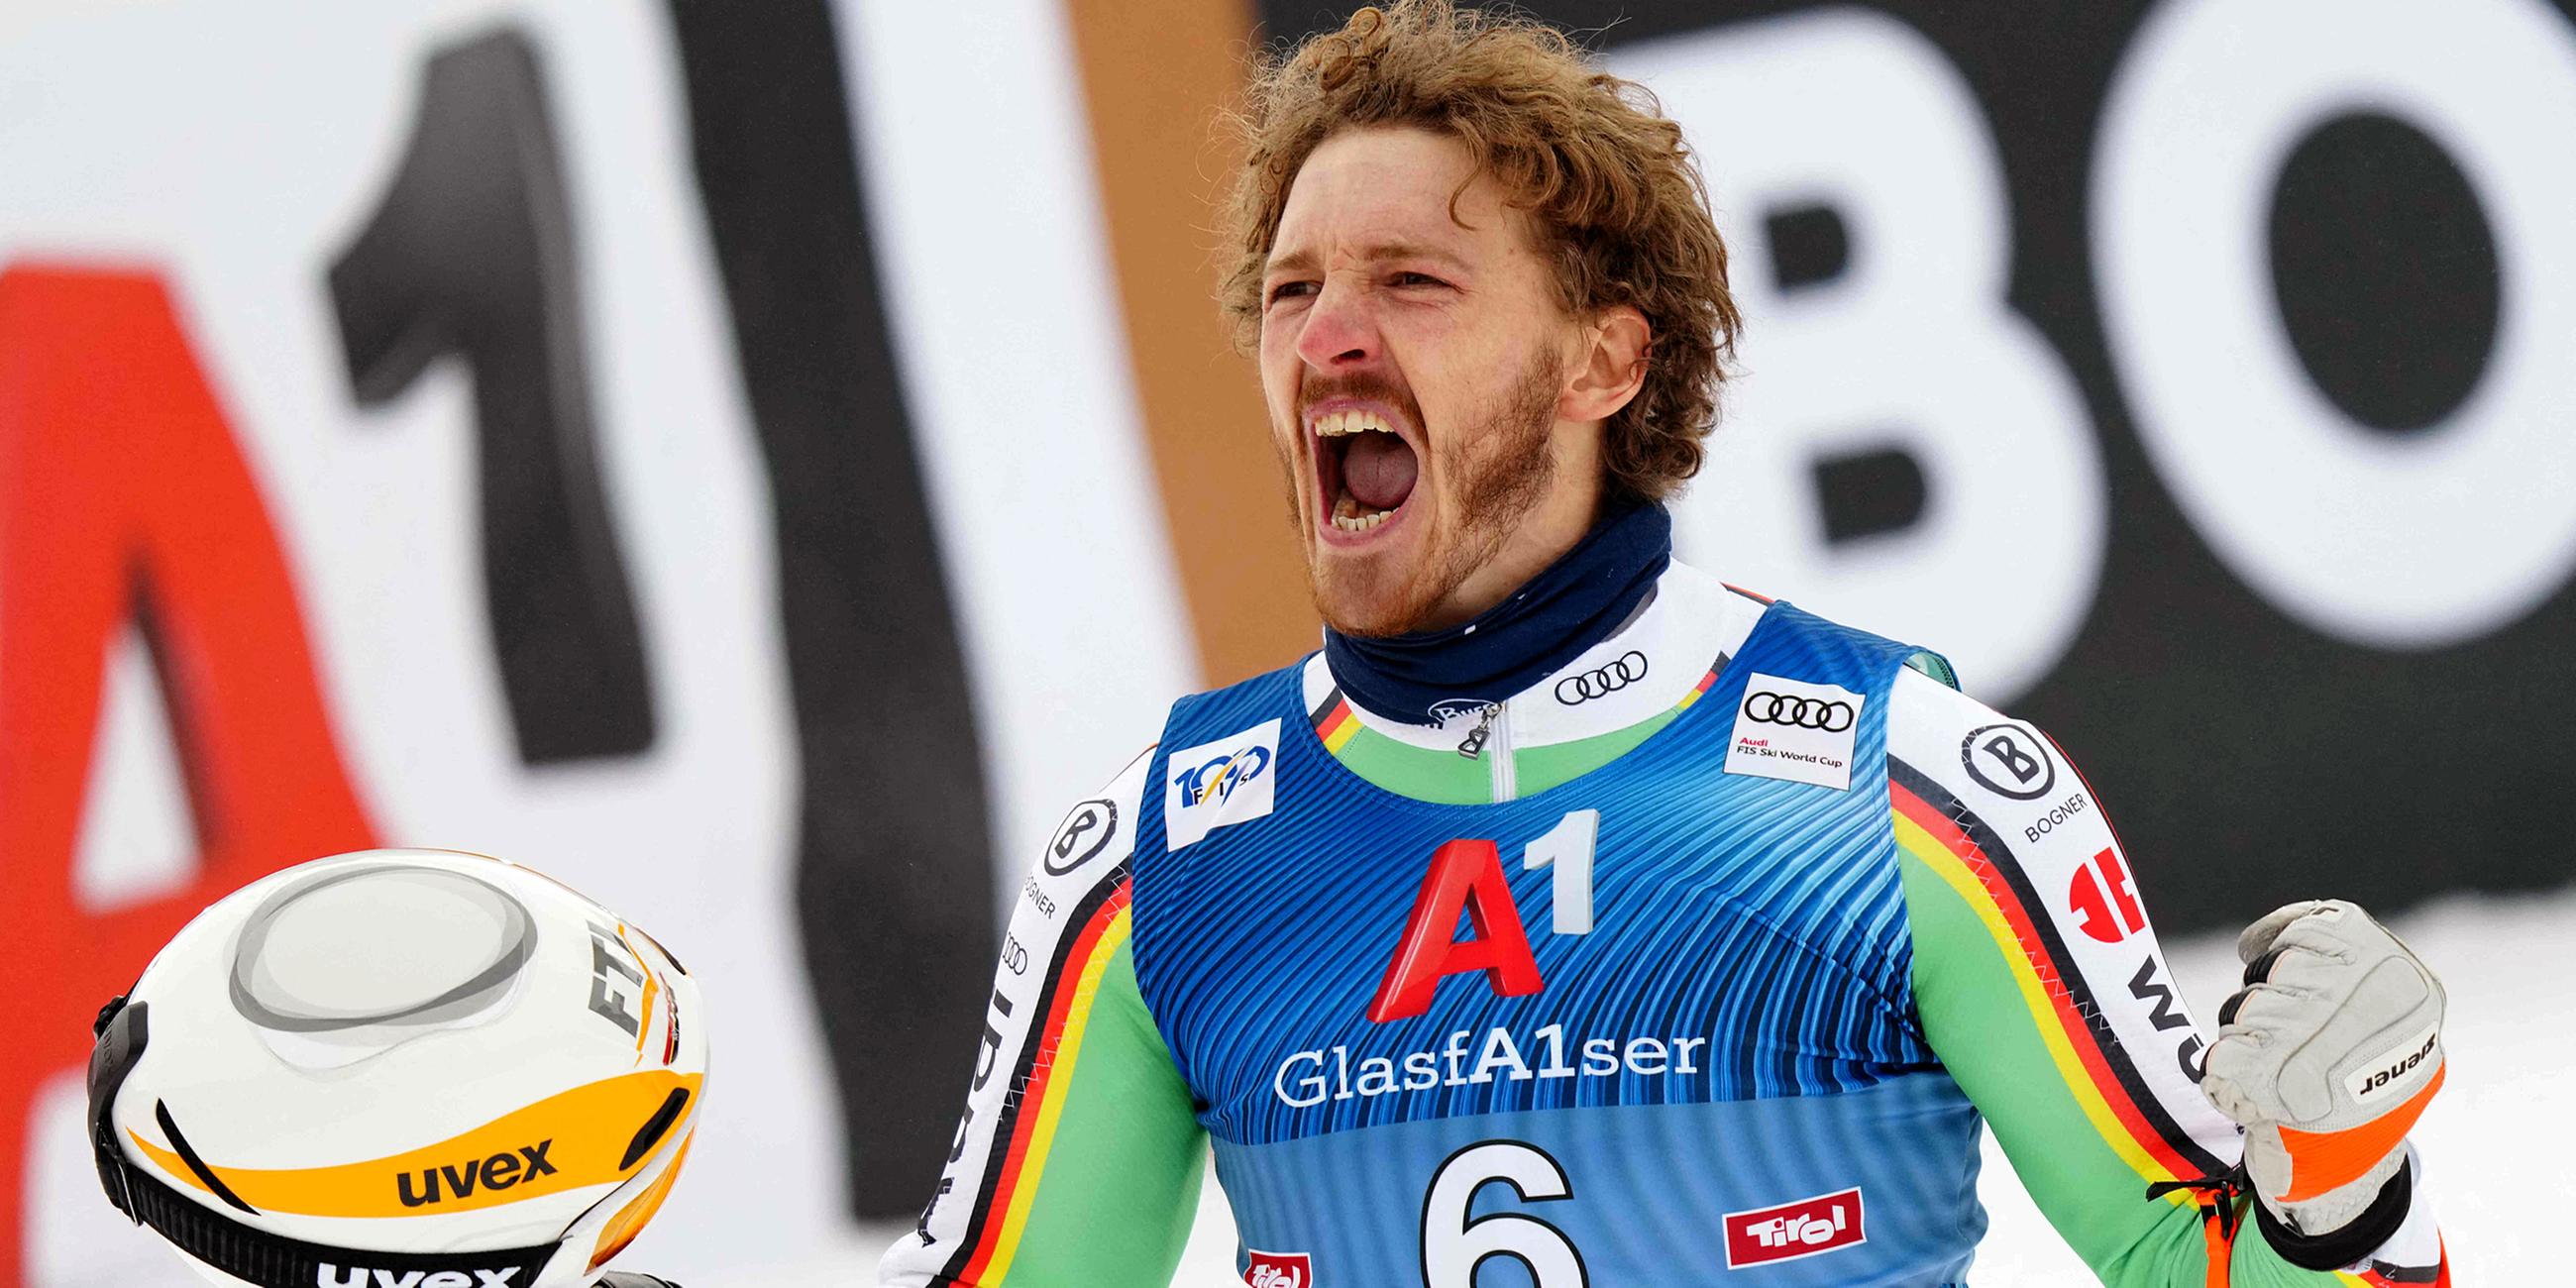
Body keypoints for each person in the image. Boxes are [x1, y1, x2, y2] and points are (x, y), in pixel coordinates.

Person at [882, 3, 2450, 1283]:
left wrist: (2347, 1187)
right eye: (1291, 292)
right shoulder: (1166, 853)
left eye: (1412, 281)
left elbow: (2214, 1259)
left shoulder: (1902, 789)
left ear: (1606, 360)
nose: (1329, 337)